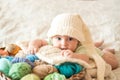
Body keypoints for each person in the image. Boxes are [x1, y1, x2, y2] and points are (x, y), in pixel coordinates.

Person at [27, 13, 118, 70]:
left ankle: (106, 50)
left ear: (77, 40)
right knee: (90, 43)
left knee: (114, 64)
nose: (63, 43)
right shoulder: (52, 42)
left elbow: (85, 58)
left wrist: (74, 56)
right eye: (59, 38)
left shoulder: (80, 47)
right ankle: (96, 44)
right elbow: (38, 41)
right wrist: (33, 45)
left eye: (70, 39)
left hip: (92, 52)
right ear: (53, 37)